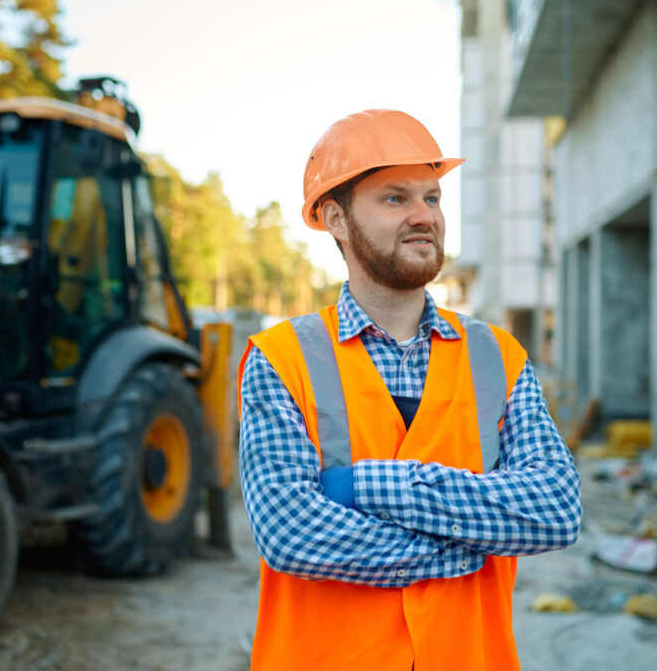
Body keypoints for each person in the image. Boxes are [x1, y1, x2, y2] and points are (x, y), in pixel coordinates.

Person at [237, 109, 581, 671]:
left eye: (433, 198)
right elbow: (290, 533)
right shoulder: (281, 358)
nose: (425, 216)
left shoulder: (498, 356)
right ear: (336, 219)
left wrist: (367, 485)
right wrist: (462, 546)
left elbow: (555, 510)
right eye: (395, 198)